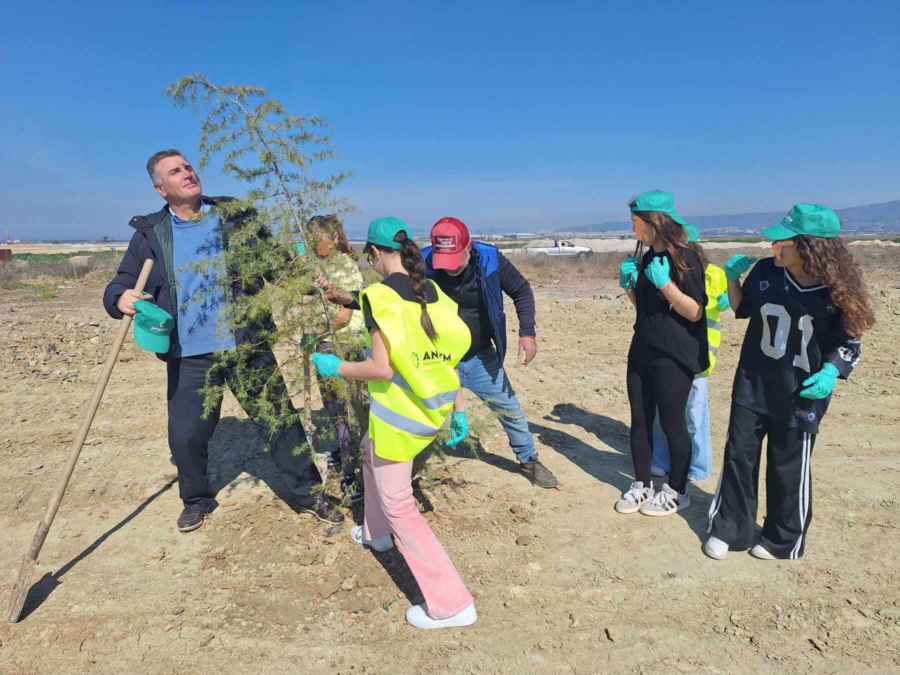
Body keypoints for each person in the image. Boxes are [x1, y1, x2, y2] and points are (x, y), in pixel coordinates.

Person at [103, 149, 342, 533]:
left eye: (188, 166)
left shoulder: (236, 216)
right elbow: (122, 281)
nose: (187, 173)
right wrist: (119, 298)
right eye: (175, 171)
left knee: (281, 423)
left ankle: (310, 496)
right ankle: (196, 500)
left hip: (246, 344)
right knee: (186, 435)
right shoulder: (150, 234)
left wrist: (307, 280)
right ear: (160, 189)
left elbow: (275, 262)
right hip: (189, 354)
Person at [312, 217, 477, 629]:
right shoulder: (435, 294)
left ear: (373, 254)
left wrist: (337, 367)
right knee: (369, 455)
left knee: (400, 503)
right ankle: (375, 532)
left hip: (399, 418)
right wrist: (459, 409)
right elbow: (448, 361)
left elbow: (381, 368)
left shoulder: (378, 298)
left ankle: (452, 603)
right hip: (430, 411)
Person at [704, 204, 874, 560]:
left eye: (782, 243)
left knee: (788, 464)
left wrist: (830, 372)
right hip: (753, 382)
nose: (773, 249)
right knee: (739, 455)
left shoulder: (836, 291)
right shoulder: (767, 271)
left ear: (810, 247)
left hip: (800, 392)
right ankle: (730, 529)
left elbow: (850, 342)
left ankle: (783, 539)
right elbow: (742, 308)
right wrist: (734, 280)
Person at [422, 217, 558, 488]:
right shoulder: (422, 263)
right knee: (419, 412)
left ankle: (528, 459)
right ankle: (409, 465)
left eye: (453, 261)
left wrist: (527, 332)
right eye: (442, 262)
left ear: (468, 246)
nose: (448, 270)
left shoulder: (489, 259)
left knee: (509, 408)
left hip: (480, 355)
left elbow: (521, 290)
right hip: (436, 359)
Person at [617, 190, 708, 516]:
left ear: (654, 222)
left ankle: (678, 489)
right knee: (639, 421)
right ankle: (641, 485)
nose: (633, 230)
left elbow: (695, 312)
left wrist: (665, 283)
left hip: (674, 355)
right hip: (642, 348)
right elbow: (646, 310)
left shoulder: (687, 259)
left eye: (636, 222)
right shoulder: (644, 260)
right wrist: (630, 285)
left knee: (672, 424)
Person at [650, 224, 729, 482]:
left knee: (694, 412)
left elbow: (705, 307)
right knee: (665, 409)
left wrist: (728, 295)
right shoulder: (664, 270)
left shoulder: (712, 273)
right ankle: (662, 459)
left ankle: (698, 465)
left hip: (699, 355)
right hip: (671, 350)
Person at [305, 215, 366, 503]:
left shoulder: (345, 266)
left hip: (344, 344)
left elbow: (343, 317)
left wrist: (313, 334)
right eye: (309, 237)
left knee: (347, 412)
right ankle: (346, 457)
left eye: (318, 237)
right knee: (333, 410)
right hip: (325, 343)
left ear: (333, 237)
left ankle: (354, 475)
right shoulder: (317, 266)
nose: (312, 243)